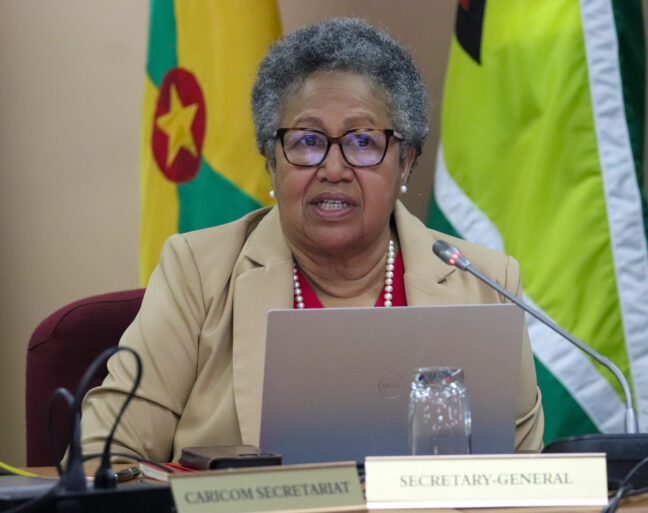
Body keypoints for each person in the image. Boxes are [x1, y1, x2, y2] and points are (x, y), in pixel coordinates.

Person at [80, 17, 544, 462]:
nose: (333, 169)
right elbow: (104, 455)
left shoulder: (484, 283)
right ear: (271, 162)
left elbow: (527, 473)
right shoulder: (198, 272)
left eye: (363, 142)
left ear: (405, 163)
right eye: (307, 141)